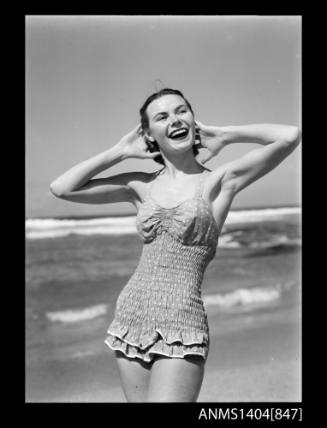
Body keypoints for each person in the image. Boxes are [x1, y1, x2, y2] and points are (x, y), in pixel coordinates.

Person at [50, 88, 301, 402]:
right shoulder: (140, 185)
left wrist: (225, 135)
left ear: (194, 120)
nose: (175, 120)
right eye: (162, 116)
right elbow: (61, 188)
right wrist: (120, 151)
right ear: (149, 134)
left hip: (183, 320)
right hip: (131, 316)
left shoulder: (220, 181)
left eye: (182, 111)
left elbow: (290, 136)